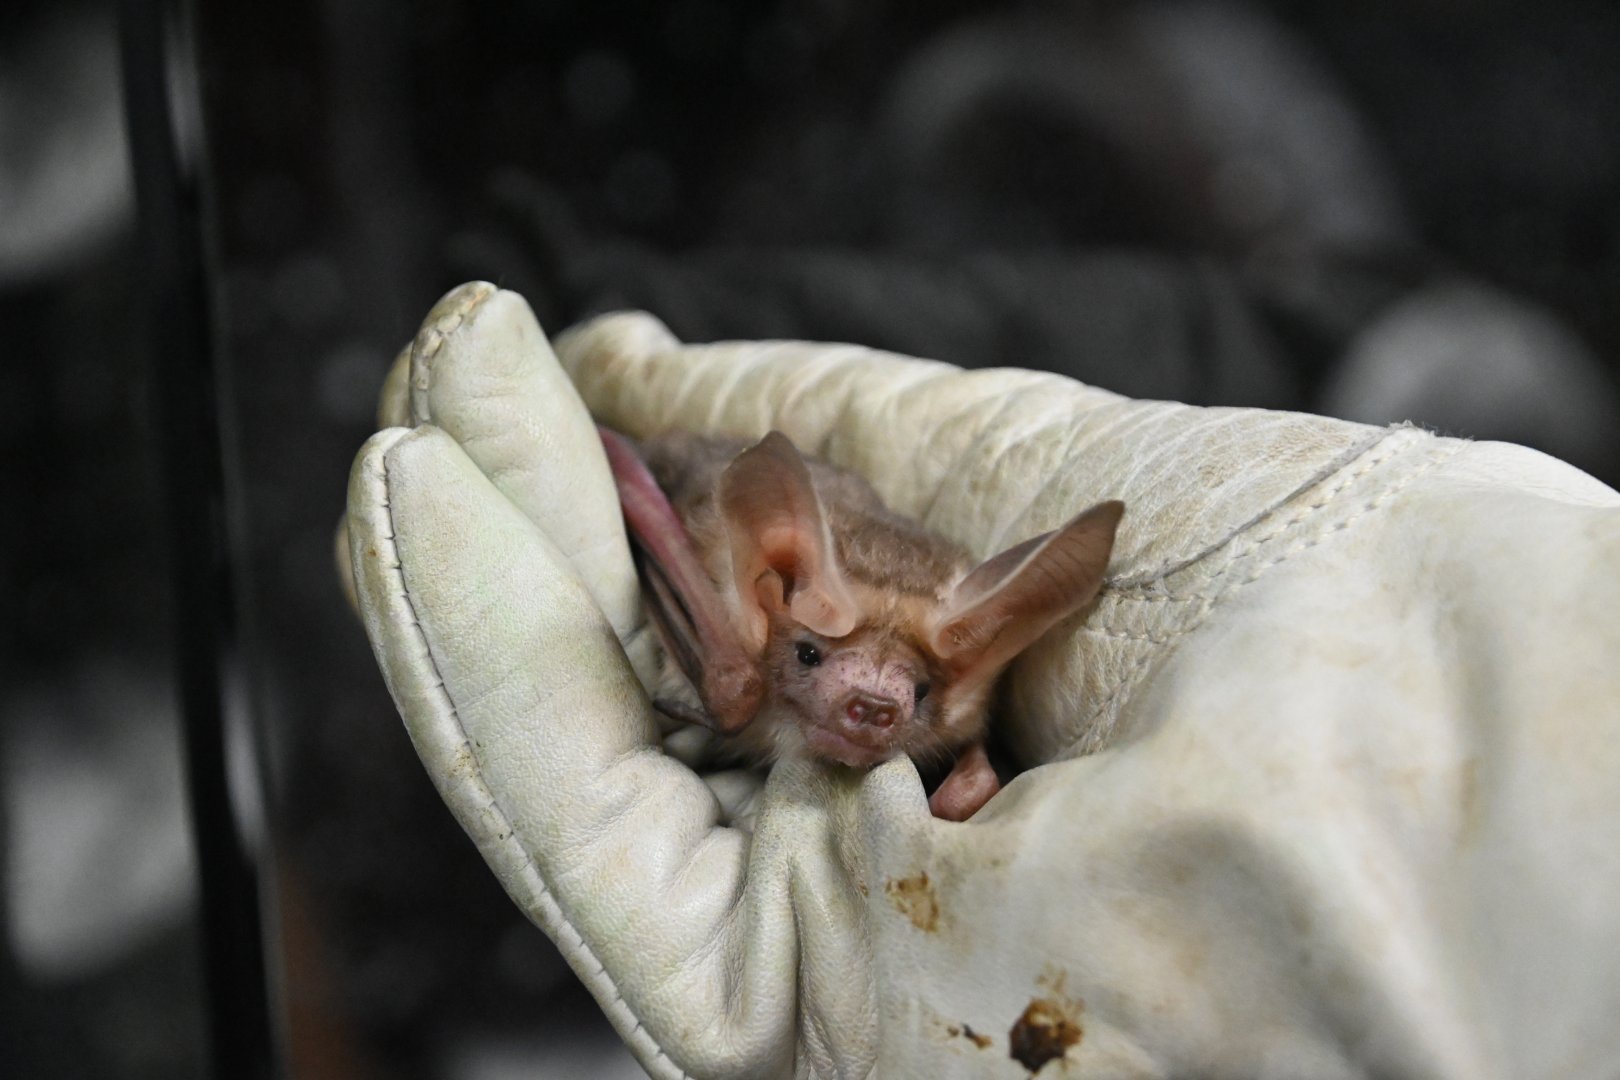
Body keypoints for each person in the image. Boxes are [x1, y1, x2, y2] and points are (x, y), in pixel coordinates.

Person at [343, 282, 1620, 1079]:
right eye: (822, 661)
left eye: (911, 685)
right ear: (774, 598)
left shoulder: (948, 705)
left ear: (974, 658)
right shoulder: (744, 635)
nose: (869, 701)